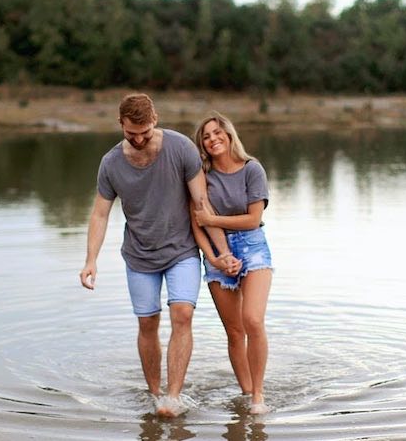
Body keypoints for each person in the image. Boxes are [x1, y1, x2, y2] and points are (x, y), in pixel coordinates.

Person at [79, 94, 238, 418]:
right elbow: (99, 214)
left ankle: (173, 397)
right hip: (138, 256)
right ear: (120, 124)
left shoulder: (181, 149)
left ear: (155, 120)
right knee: (147, 322)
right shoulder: (111, 163)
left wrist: (222, 254)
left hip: (181, 250)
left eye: (145, 132)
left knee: (183, 314)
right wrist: (91, 260)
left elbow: (202, 204)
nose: (138, 139)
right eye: (130, 133)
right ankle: (155, 394)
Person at [190, 112, 274, 415]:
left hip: (253, 247)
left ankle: (258, 398)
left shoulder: (252, 169)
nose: (212, 139)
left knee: (253, 320)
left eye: (216, 133)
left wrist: (214, 219)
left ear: (228, 134)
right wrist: (214, 257)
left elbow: (254, 219)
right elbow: (196, 224)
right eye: (206, 137)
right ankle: (247, 391)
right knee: (235, 332)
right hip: (215, 253)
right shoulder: (201, 176)